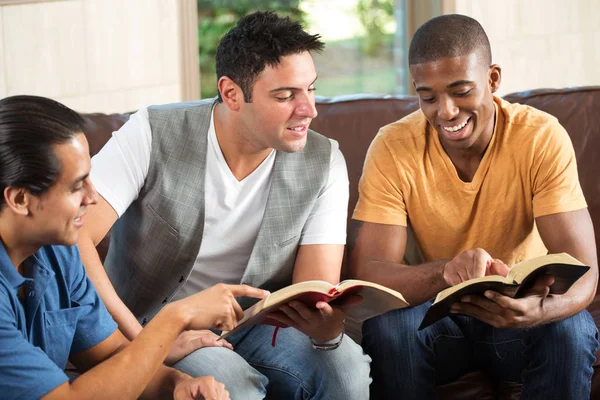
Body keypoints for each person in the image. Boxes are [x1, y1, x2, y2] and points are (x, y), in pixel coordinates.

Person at [76, 10, 371, 400]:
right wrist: (142, 343)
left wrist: (326, 330)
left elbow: (312, 287)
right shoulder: (151, 131)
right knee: (232, 385)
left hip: (259, 323)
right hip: (156, 322)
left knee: (348, 369)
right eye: (286, 96)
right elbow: (75, 236)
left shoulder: (324, 160)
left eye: (311, 90)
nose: (309, 110)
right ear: (231, 93)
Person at [349, 14, 599, 400]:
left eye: (461, 91)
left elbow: (585, 270)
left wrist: (538, 312)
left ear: (493, 79)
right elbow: (370, 273)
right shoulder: (393, 145)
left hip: (520, 317)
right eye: (428, 97)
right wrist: (447, 273)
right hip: (437, 320)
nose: (445, 112)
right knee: (388, 329)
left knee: (572, 329)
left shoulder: (539, 137)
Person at [0, 94, 273, 399]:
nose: (92, 197)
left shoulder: (58, 253)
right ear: (20, 199)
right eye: (77, 186)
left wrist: (177, 383)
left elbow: (111, 353)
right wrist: (175, 318)